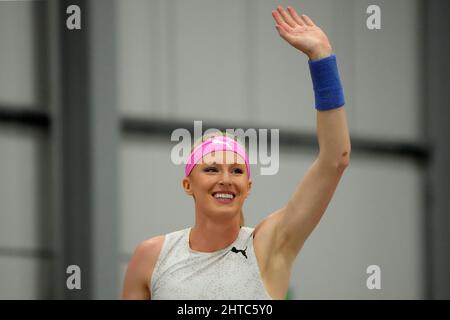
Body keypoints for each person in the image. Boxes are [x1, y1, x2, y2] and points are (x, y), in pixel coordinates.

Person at [122, 5, 350, 300]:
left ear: (248, 187)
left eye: (237, 170)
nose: (226, 179)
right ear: (187, 185)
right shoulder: (151, 258)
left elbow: (335, 159)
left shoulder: (269, 246)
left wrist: (322, 59)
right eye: (212, 169)